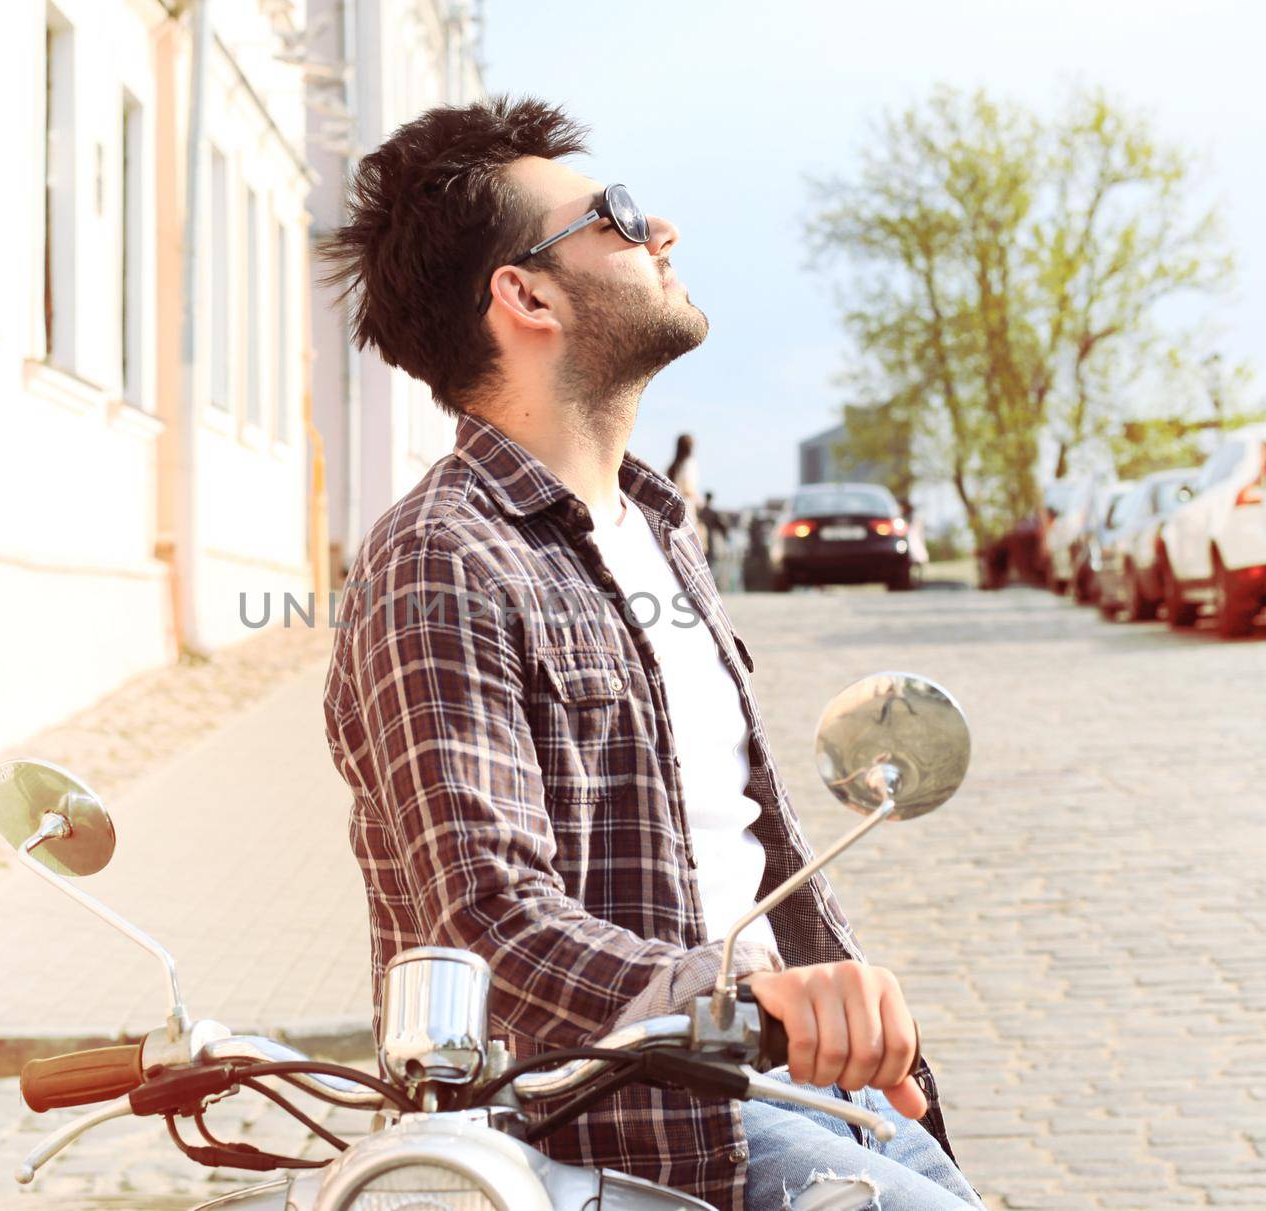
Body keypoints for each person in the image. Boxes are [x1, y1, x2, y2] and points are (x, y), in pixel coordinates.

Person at [318, 97, 980, 1210]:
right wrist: (742, 995)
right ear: (524, 295)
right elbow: (485, 914)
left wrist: (822, 1017)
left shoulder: (659, 526)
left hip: (807, 1092)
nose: (659, 227)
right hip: (624, 1131)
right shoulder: (442, 558)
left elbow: (735, 840)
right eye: (615, 217)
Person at [667, 432, 707, 548]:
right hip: (687, 507)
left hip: (673, 506)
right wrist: (700, 501)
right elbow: (688, 488)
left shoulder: (673, 466)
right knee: (690, 545)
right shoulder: (689, 463)